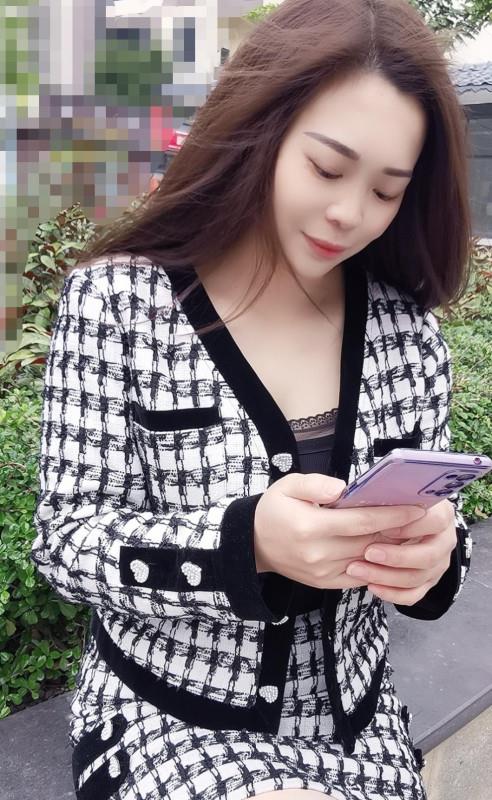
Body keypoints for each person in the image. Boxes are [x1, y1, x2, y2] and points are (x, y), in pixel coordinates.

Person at [31, 0, 474, 798]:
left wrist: (435, 556)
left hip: (356, 728)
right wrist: (247, 544)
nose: (350, 214)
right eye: (327, 169)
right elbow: (66, 544)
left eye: (387, 191)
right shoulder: (120, 305)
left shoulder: (408, 336)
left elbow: (439, 534)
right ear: (259, 129)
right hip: (170, 718)